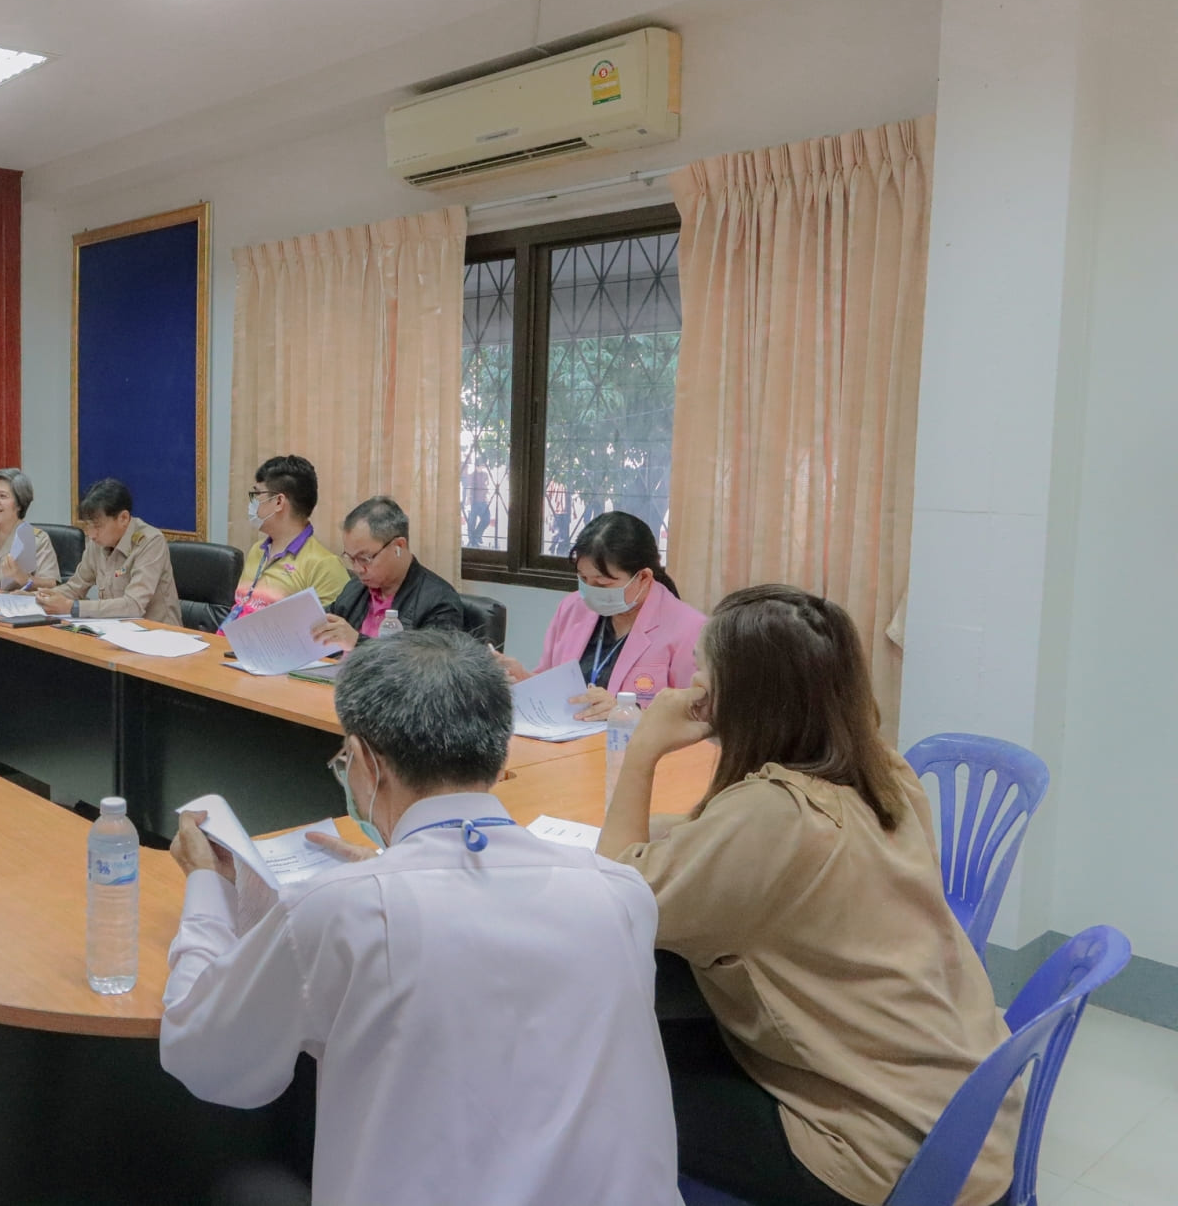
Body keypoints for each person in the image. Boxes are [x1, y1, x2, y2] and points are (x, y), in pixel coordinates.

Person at [161, 629, 680, 1206]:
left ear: (363, 759)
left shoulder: (339, 910)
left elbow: (205, 1058)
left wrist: (206, 886)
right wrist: (388, 871)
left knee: (241, 1186)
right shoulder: (620, 893)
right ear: (502, 753)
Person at [599, 586, 1017, 1206]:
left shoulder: (772, 817)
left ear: (742, 697)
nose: (692, 687)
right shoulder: (883, 773)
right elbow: (724, 840)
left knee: (605, 1077)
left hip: (876, 1151)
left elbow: (615, 894)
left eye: (702, 672)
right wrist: (671, 834)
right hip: (960, 1116)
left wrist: (642, 750)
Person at [494, 510, 704, 720]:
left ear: (643, 577)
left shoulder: (689, 630)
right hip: (568, 736)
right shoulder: (572, 608)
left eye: (602, 584)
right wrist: (526, 681)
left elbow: (697, 717)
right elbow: (552, 684)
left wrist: (628, 713)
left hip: (633, 740)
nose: (591, 591)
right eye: (584, 579)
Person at [311, 496, 466, 650]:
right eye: (351, 559)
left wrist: (357, 642)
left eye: (365, 558)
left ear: (399, 546)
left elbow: (428, 662)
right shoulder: (355, 589)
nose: (358, 569)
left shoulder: (439, 602)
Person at [37, 478, 181, 625]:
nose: (91, 534)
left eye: (97, 526)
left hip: (158, 633)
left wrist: (72, 607)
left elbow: (134, 605)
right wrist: (41, 597)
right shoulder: (98, 543)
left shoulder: (150, 542)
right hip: (115, 629)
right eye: (88, 525)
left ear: (123, 518)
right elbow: (75, 588)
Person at [230, 454, 349, 621]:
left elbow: (330, 630)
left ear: (278, 501)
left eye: (257, 494)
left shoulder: (324, 565)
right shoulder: (257, 550)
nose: (252, 502)